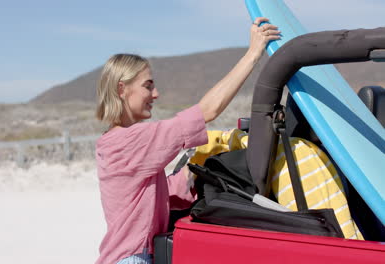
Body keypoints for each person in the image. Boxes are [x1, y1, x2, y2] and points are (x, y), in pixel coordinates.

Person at [95, 17, 281, 264]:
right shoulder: (130, 141)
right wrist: (253, 54)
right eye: (148, 86)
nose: (155, 94)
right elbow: (209, 110)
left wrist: (195, 172)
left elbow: (150, 194)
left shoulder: (112, 141)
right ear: (121, 89)